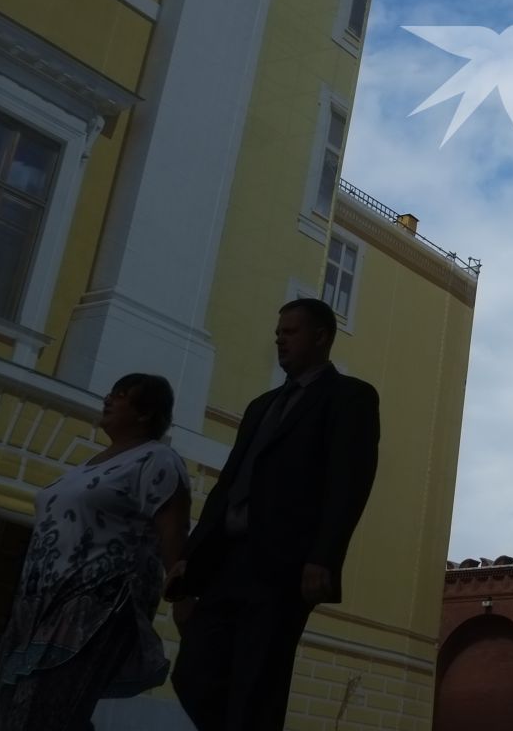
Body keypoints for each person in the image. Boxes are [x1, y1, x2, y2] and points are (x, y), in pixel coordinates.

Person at [168, 297, 381, 731]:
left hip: (283, 565)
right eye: (278, 332)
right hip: (226, 561)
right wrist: (191, 556)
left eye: (291, 332)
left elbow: (349, 483)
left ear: (321, 336)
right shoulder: (260, 406)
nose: (280, 340)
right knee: (193, 673)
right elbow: (229, 484)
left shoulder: (349, 398)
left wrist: (324, 555)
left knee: (257, 682)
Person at [0, 373, 190, 729]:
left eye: (120, 395)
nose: (107, 399)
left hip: (97, 602)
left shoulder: (156, 459)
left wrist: (183, 599)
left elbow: (174, 530)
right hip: (41, 605)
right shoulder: (88, 466)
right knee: (24, 710)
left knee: (49, 711)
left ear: (145, 413)